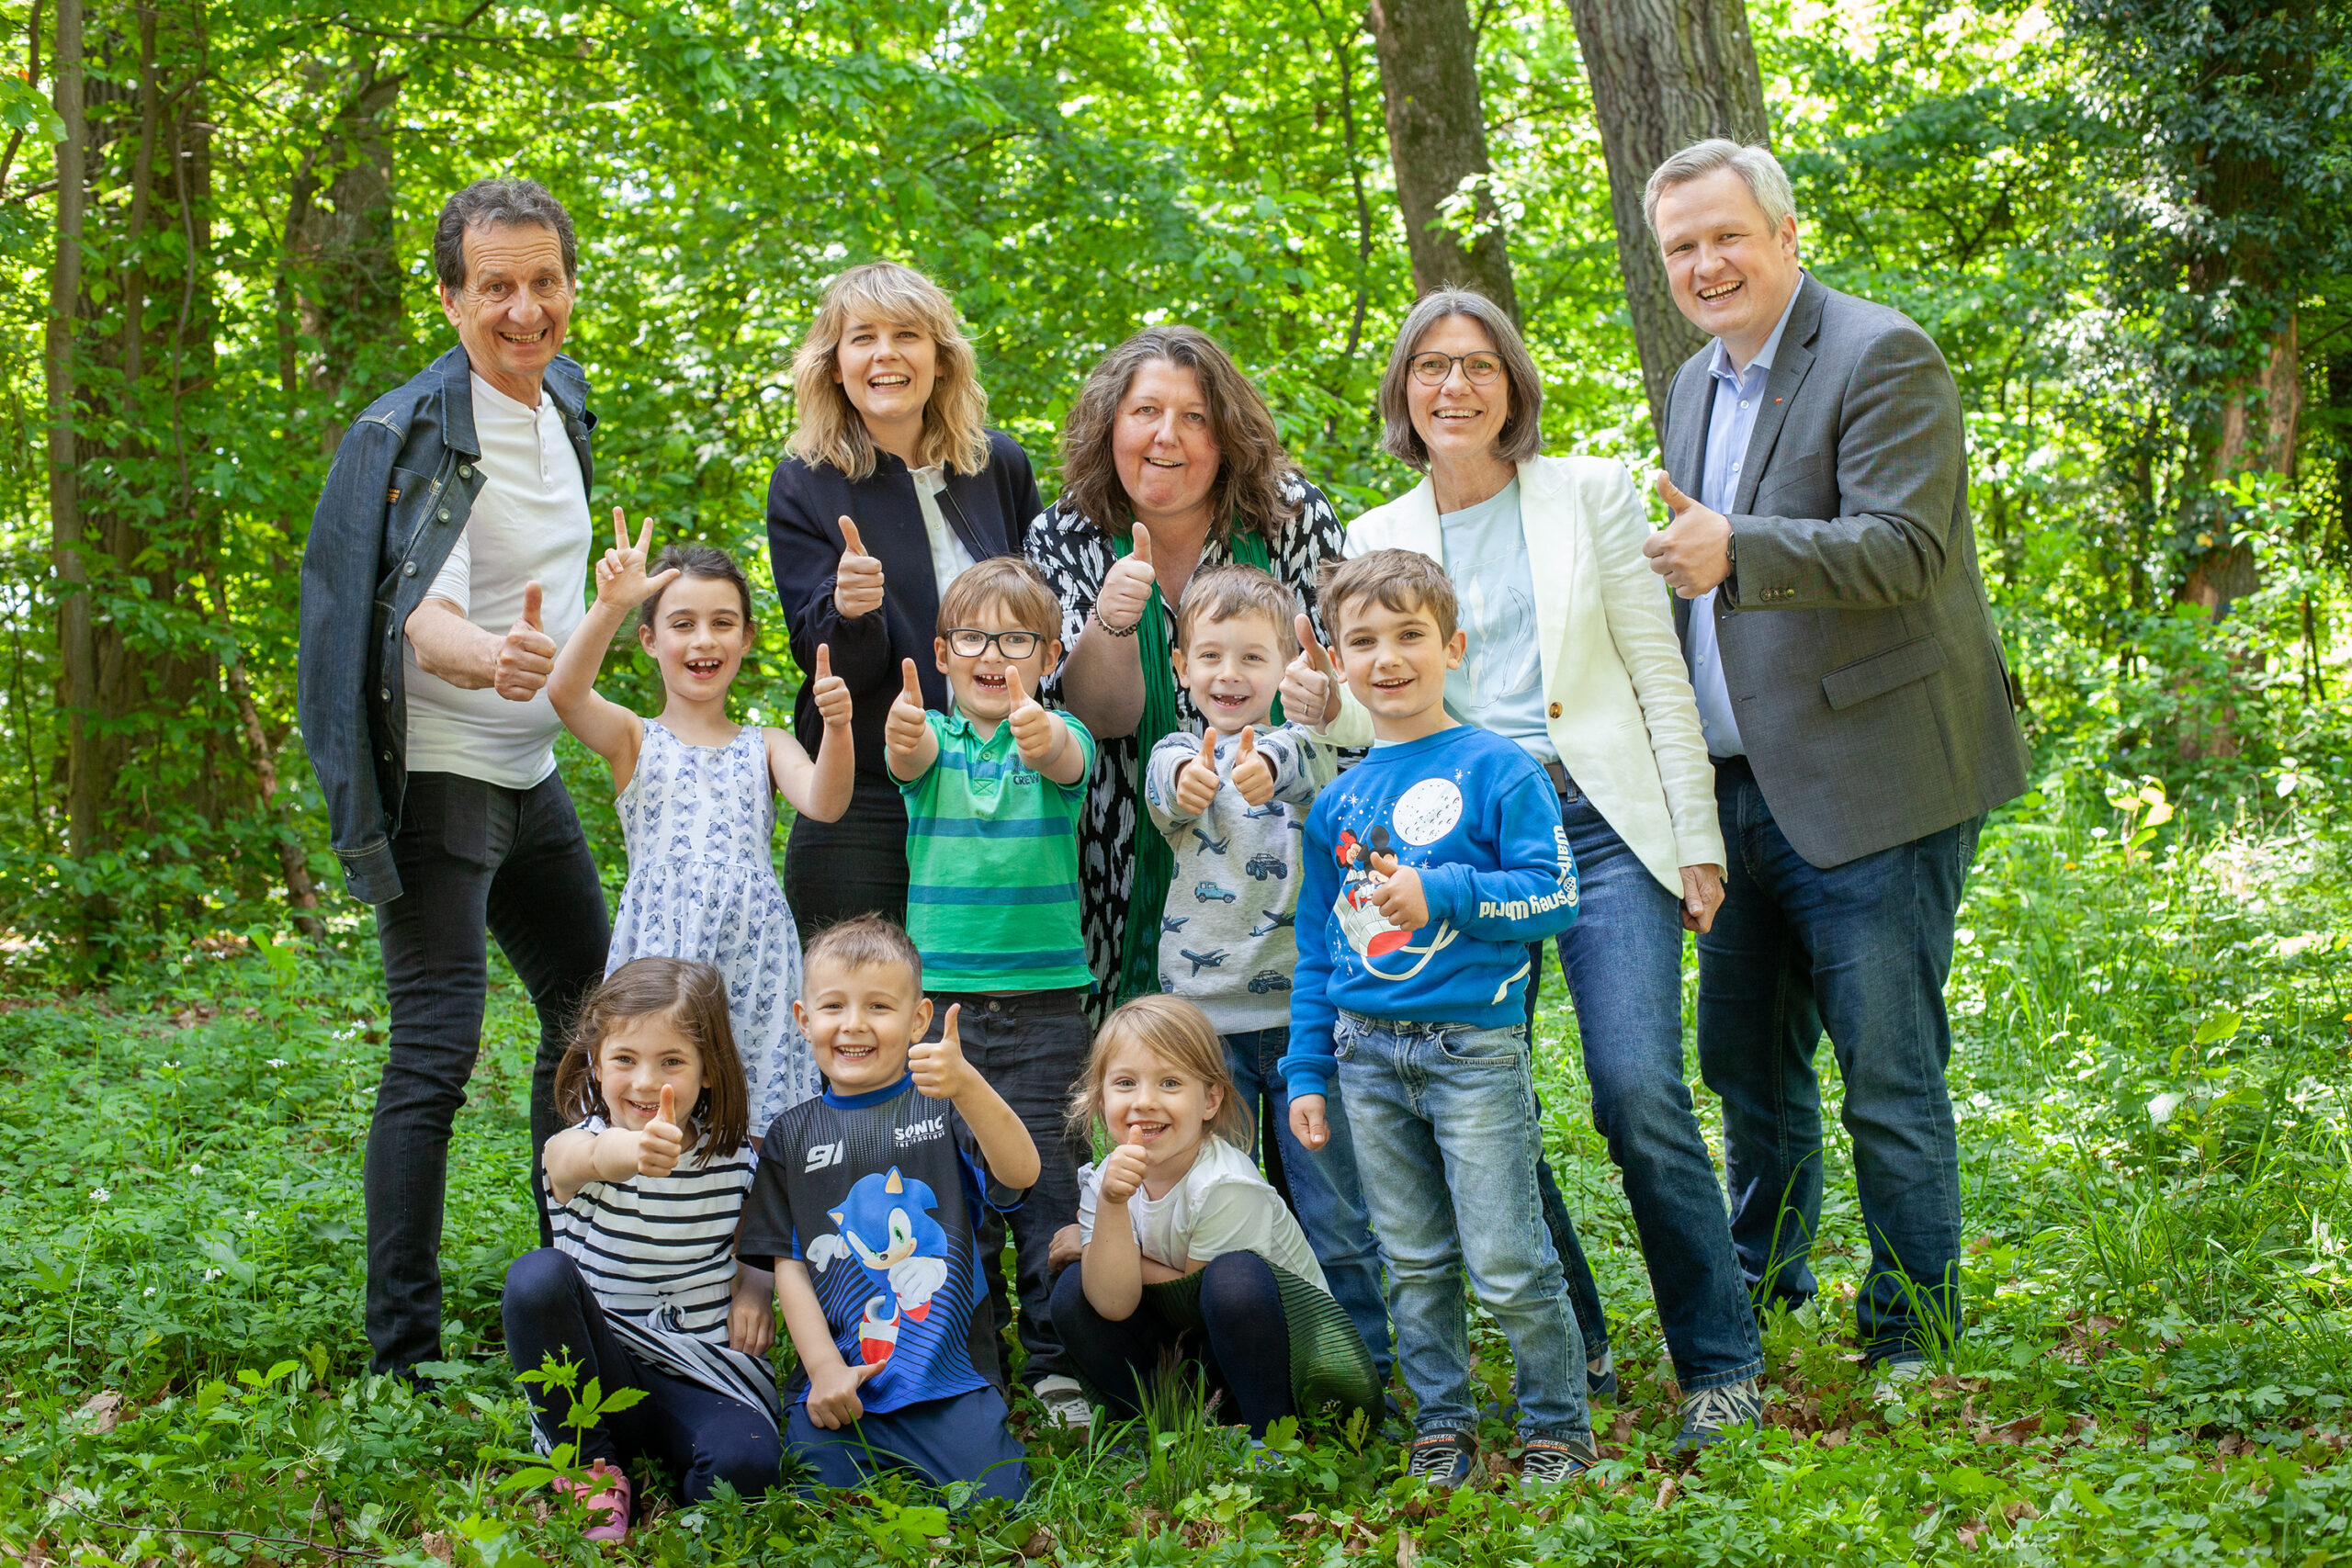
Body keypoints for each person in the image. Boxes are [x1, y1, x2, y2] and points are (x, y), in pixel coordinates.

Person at [1306, 288, 1763, 1446]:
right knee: (1478, 1087)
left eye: (1475, 366)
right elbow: (1380, 709)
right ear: (1403, 392)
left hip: (1598, 823)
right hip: (1446, 848)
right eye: (1429, 369)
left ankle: (1719, 1360)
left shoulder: (1588, 495)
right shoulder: (1374, 533)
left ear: (1511, 384)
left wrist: (1694, 837)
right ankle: (1584, 1339)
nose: (1451, 387)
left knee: (1636, 1089)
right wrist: (1319, 717)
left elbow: (1655, 670)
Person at [1637, 140, 2030, 1379]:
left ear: (1786, 233)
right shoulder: (1696, 383)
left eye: (1725, 235)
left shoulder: (1882, 354)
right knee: (1745, 1067)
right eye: (1682, 246)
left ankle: (1913, 1332)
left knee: (1888, 1075)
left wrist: (1736, 547)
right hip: (1738, 788)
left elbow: (1906, 547)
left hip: (1874, 783)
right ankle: (1768, 1279)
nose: (1706, 263)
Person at [298, 177, 612, 1377]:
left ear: (570, 287)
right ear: (450, 298)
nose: (524, 309)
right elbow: (406, 612)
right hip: (437, 773)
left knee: (587, 1015)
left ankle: (561, 1288)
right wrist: (494, 656)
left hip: (527, 772)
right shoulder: (409, 432)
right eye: (496, 286)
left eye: (545, 281)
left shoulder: (567, 400)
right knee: (436, 1048)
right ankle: (402, 1357)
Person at [1282, 550, 1591, 1491]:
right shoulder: (1337, 800)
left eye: (1410, 635)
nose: (1387, 658)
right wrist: (1305, 1070)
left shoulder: (1500, 768)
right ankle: (1444, 1427)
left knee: (1503, 1259)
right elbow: (1316, 951)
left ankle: (1554, 1425)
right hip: (1365, 1059)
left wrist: (1442, 894)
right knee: (1412, 1261)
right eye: (1363, 641)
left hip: (1471, 1053)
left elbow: (1555, 897)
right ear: (1336, 662)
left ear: (1451, 646)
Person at [1023, 325, 1349, 1021]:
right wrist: (1114, 619)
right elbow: (1099, 717)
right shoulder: (1064, 533)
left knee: (1294, 1062)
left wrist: (1318, 693)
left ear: (1225, 435)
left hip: (1276, 843)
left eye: (1194, 417)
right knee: (1138, 1071)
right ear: (1113, 425)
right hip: (1113, 845)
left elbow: (1337, 681)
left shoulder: (1291, 516)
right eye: (1146, 411)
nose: (1166, 435)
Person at [1126, 564, 1388, 1385]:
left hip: (1306, 1023)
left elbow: (1310, 760)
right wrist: (1197, 777)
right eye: (1211, 657)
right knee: (1219, 1208)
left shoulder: (1312, 745)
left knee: (1332, 1207)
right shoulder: (1176, 749)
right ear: (1181, 667)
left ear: (1285, 668)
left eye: (1251, 658)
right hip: (1204, 1038)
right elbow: (1170, 789)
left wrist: (1269, 760)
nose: (1230, 675)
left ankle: (1362, 1367)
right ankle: (1234, 1366)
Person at [765, 262, 1045, 936]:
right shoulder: (804, 484)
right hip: (866, 799)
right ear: (834, 365)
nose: (885, 354)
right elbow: (825, 663)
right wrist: (850, 610)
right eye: (862, 337)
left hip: (997, 788)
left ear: (940, 360)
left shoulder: (998, 465)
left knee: (977, 1013)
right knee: (855, 1019)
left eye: (907, 335)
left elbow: (1040, 621)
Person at [883, 556, 1099, 1429]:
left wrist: (1037, 727)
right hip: (941, 1017)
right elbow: (912, 751)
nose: (992, 653)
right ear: (940, 650)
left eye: (1015, 638)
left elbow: (1062, 753)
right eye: (972, 636)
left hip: (1048, 1009)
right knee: (951, 1198)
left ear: (1048, 652)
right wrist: (904, 730)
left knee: (1049, 1190)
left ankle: (1056, 1364)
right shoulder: (932, 738)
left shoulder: (1059, 733)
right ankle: (970, 1361)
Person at [547, 517, 854, 1130]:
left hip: (756, 954)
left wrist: (839, 729)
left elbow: (825, 800)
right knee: (658, 1090)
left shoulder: (765, 744)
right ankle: (653, 1214)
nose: (702, 640)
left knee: (755, 1100)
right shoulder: (636, 737)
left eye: (722, 623)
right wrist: (608, 604)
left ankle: (752, 1220)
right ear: (650, 639)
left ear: (745, 638)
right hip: (662, 949)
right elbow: (566, 693)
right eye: (682, 623)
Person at [736, 917, 1040, 1502]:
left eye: (878, 1006)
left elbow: (1020, 1174)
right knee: (811, 1497)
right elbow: (790, 1265)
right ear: (804, 1020)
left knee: (997, 1500)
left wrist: (968, 1087)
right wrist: (824, 1370)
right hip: (841, 1385)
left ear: (918, 1020)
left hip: (949, 1379)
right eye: (833, 1007)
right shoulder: (790, 1137)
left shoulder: (944, 1107)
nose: (853, 1025)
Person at [503, 958, 782, 1543]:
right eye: (624, 1060)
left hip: (699, 1374)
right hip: (597, 1374)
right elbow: (567, 1162)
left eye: (672, 1062)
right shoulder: (580, 1144)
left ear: (709, 1071)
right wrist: (625, 1154)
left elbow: (761, 1240)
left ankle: (677, 1481)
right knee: (536, 1278)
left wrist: (754, 1287)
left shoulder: (738, 1161)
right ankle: (591, 1469)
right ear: (595, 1064)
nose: (644, 1082)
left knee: (748, 1465)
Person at [1049, 996, 1382, 1440]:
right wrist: (1109, 1208)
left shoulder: (1223, 1183)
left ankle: (1273, 1436)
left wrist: (1097, 1249)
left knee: (1233, 1279)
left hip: (1291, 1360)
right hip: (1203, 1353)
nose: (1144, 1101)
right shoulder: (1107, 1179)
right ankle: (1166, 1426)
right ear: (1100, 1097)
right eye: (1125, 1083)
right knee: (1075, 1292)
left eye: (1169, 1083)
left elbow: (1204, 1299)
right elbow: (1113, 1302)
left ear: (1210, 1100)